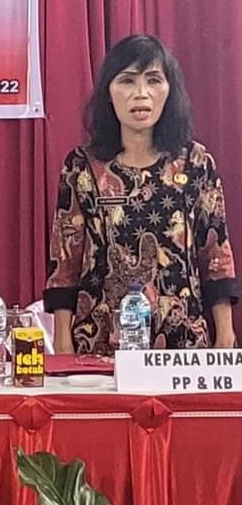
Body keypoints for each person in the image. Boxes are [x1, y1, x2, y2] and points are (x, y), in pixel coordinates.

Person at [45, 35, 236, 355]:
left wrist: (225, 332)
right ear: (108, 93)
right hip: (99, 345)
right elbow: (65, 261)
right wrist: (62, 338)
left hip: (182, 345)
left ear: (169, 91)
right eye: (127, 81)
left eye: (153, 80)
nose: (141, 93)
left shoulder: (196, 163)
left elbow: (215, 253)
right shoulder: (82, 167)